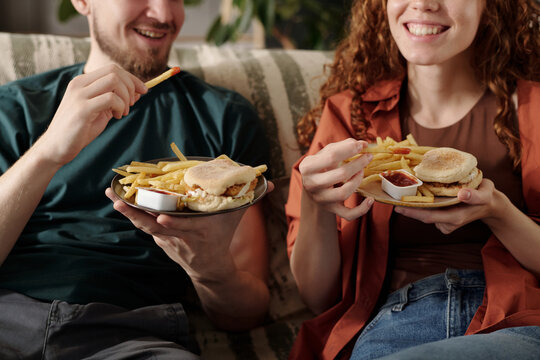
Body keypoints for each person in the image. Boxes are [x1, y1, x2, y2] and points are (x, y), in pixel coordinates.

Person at [0, 0, 271, 358]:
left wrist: (209, 269)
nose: (162, 14)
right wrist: (48, 151)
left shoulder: (223, 119)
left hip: (130, 336)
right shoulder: (15, 108)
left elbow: (246, 314)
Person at [285, 0, 540, 359]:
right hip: (395, 322)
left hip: (515, 322)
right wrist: (316, 206)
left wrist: (498, 211)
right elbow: (317, 297)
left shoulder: (531, 108)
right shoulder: (348, 116)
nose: (423, 3)